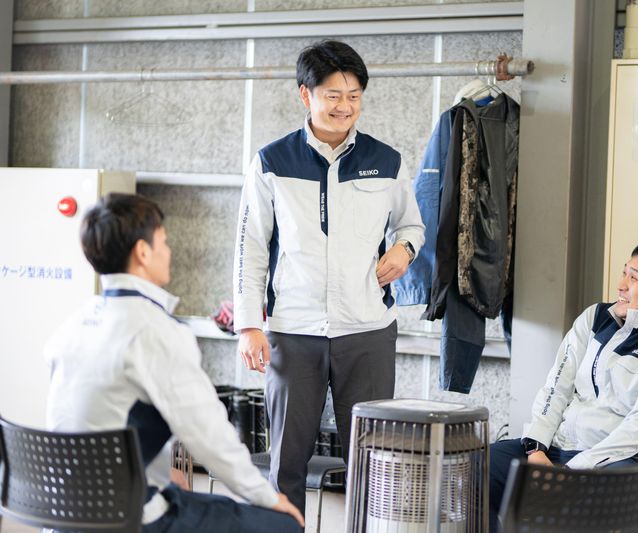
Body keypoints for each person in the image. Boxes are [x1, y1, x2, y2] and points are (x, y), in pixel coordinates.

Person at [233, 39, 425, 514]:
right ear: (306, 94)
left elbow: (412, 225)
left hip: (367, 330)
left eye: (354, 96)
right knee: (287, 462)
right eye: (333, 95)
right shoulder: (272, 162)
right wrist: (248, 325)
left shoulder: (387, 160)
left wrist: (404, 250)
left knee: (374, 460)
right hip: (294, 331)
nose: (345, 106)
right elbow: (250, 246)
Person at [45, 193, 303, 533]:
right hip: (126, 517)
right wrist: (269, 498)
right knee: (282, 525)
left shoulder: (73, 325)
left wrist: (162, 474)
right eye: (164, 242)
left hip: (65, 511)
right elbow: (210, 437)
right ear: (142, 252)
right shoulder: (155, 331)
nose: (168, 252)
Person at [489, 241, 638, 532]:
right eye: (623, 273)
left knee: (565, 513)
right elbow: (556, 386)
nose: (621, 285)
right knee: (481, 468)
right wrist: (536, 448)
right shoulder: (595, 317)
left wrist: (572, 472)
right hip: (556, 449)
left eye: (634, 278)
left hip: (618, 463)